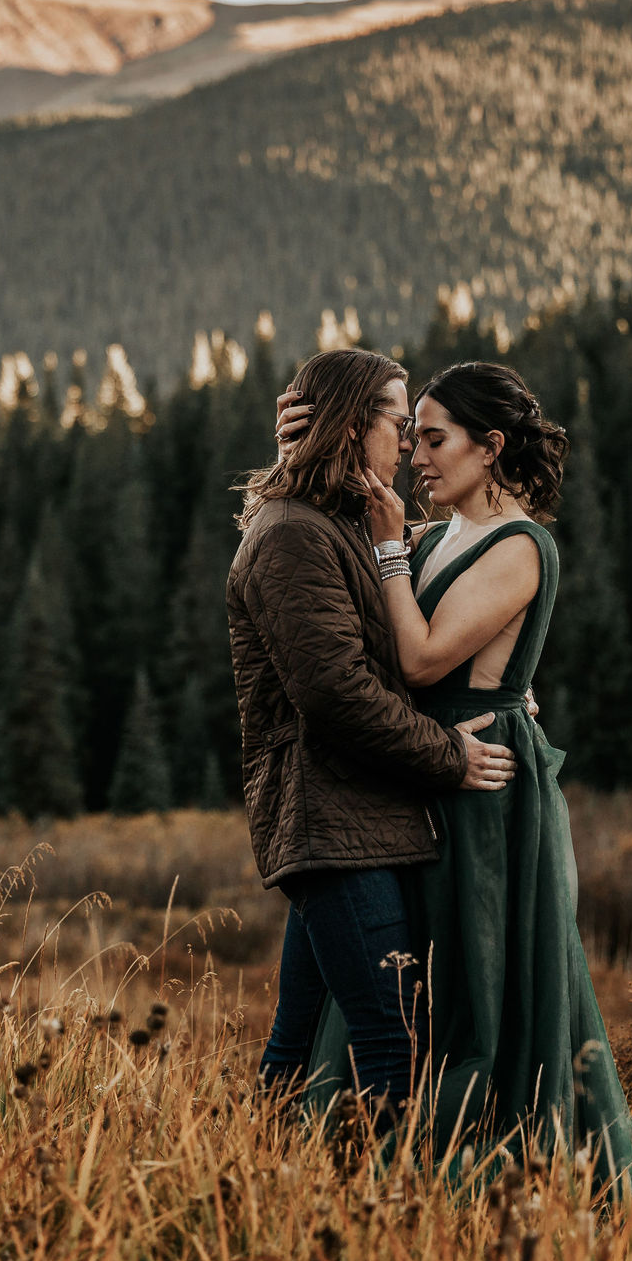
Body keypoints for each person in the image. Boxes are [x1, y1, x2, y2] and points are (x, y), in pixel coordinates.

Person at [277, 361, 632, 1196]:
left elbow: (418, 655)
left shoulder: (522, 545)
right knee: (402, 992)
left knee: (476, 994)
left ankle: (484, 1183)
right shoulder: (438, 536)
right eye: (412, 437)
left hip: (483, 799)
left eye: (436, 440)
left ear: (492, 447)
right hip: (420, 774)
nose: (417, 456)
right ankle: (368, 1178)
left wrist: (387, 547)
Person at [226, 348, 518, 1136]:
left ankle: (251, 1195)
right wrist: (450, 755)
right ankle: (385, 1223)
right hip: (333, 829)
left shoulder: (341, 523)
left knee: (295, 1053)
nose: (411, 447)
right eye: (398, 425)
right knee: (394, 1045)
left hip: (355, 824)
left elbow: (423, 567)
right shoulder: (291, 537)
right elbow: (338, 697)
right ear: (356, 428)